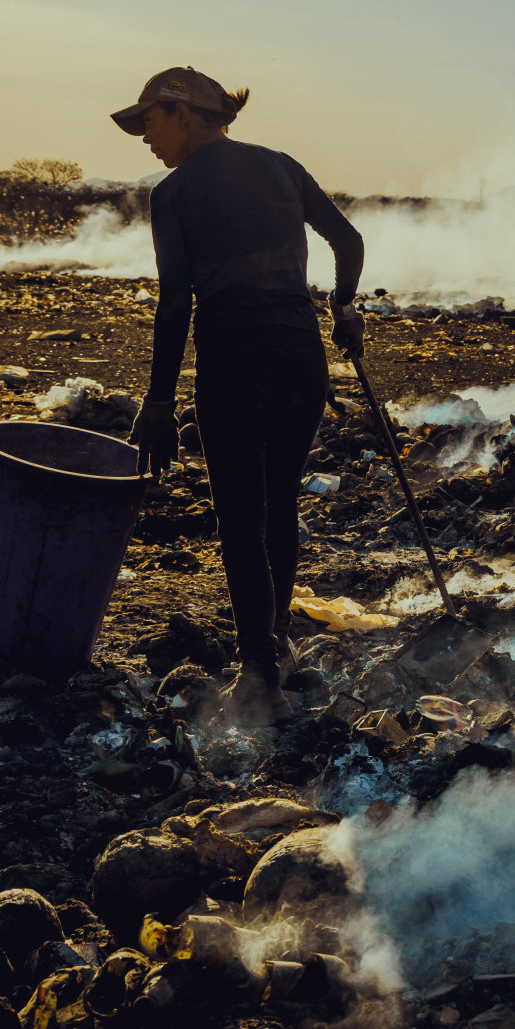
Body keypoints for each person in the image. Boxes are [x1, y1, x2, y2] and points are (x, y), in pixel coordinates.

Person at [110, 66, 366, 723]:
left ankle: (259, 679)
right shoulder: (281, 167)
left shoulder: (172, 195)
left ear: (185, 114)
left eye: (150, 122)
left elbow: (174, 306)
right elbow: (349, 240)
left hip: (233, 360)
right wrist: (343, 309)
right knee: (280, 504)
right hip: (300, 357)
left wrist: (159, 402)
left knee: (240, 522)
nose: (145, 137)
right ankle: (275, 645)